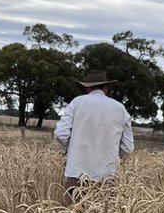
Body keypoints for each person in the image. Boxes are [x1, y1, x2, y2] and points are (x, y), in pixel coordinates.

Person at [54, 70, 134, 199]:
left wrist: (72, 151)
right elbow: (128, 148)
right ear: (106, 88)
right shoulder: (120, 109)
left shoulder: (77, 103)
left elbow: (61, 134)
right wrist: (109, 157)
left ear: (87, 88)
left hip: (76, 173)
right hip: (106, 177)